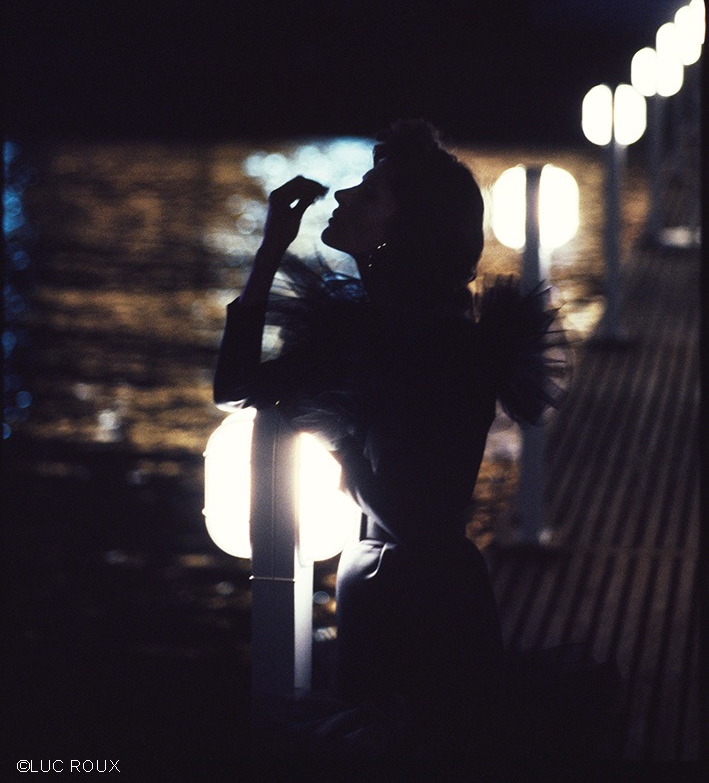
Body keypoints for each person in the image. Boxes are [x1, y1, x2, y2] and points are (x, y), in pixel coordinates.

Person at [214, 121, 575, 766]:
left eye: (371, 193)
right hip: (422, 589)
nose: (344, 196)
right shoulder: (406, 330)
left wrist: (339, 435)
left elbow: (415, 513)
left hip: (407, 604)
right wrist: (271, 248)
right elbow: (241, 388)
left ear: (404, 233)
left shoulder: (413, 342)